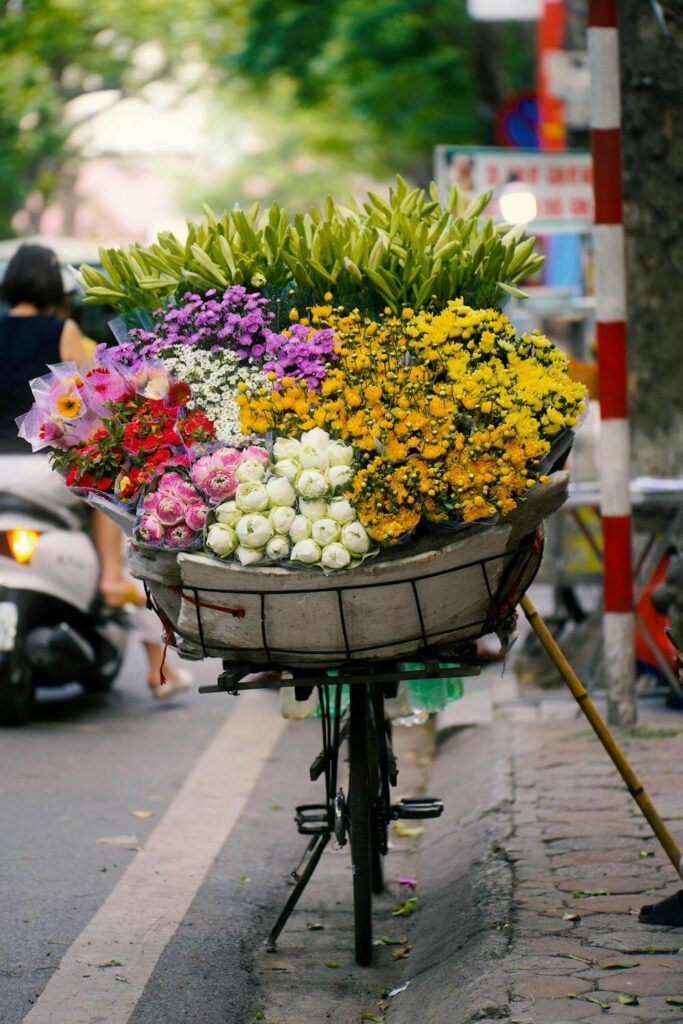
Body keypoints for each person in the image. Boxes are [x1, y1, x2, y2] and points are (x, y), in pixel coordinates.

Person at [0, 244, 190, 697]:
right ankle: (112, 585)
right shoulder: (61, 329)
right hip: (40, 470)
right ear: (54, 285)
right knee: (106, 498)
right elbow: (84, 397)